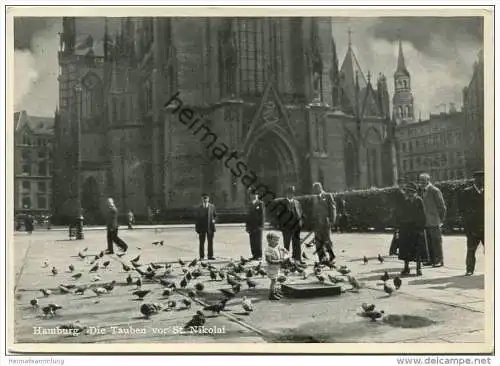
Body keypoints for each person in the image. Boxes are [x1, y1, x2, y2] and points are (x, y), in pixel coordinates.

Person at [397, 182, 427, 276]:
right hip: (405, 228)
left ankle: (418, 268)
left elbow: (423, 215)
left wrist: (421, 227)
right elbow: (400, 215)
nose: (409, 194)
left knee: (417, 250)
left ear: (414, 192)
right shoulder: (404, 202)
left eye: (411, 192)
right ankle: (406, 267)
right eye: (407, 192)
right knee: (405, 249)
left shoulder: (418, 200)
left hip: (416, 228)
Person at [458, 171, 484, 276]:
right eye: (481, 179)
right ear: (475, 179)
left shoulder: (490, 191)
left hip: (487, 226)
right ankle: (469, 269)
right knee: (471, 249)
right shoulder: (466, 192)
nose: (483, 181)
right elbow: (462, 210)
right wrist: (467, 227)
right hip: (473, 227)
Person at [418, 173, 447, 267]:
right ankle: (431, 259)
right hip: (425, 221)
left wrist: (441, 220)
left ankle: (439, 260)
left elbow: (442, 207)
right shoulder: (421, 191)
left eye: (423, 180)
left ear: (428, 180)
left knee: (436, 241)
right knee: (428, 241)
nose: (421, 182)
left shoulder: (434, 190)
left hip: (434, 220)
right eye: (420, 180)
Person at [311, 182, 336, 263]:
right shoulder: (314, 198)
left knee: (327, 240)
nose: (315, 190)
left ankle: (331, 255)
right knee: (318, 241)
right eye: (314, 189)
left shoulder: (328, 196)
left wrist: (332, 220)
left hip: (326, 222)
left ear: (320, 188)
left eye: (316, 188)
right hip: (317, 223)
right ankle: (322, 258)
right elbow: (314, 210)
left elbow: (332, 208)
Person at [280, 185, 304, 264]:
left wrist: (300, 223)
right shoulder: (283, 203)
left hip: (296, 227)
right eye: (289, 193)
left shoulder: (297, 202)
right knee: (286, 244)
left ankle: (298, 258)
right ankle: (286, 260)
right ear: (287, 194)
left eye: (292, 193)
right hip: (287, 227)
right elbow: (280, 216)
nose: (291, 195)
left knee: (297, 243)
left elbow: (300, 213)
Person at [265, 232, 289, 301]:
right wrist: (279, 261)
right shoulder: (268, 250)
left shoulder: (276, 246)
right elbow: (269, 260)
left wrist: (284, 251)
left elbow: (283, 249)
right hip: (272, 268)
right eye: (275, 240)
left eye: (277, 240)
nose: (277, 242)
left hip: (276, 268)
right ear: (269, 240)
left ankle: (275, 292)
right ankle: (271, 294)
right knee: (273, 281)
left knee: (275, 280)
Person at [195, 193, 217, 260]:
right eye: (203, 198)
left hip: (210, 227)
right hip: (202, 228)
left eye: (206, 198)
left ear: (208, 199)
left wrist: (214, 220)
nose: (205, 200)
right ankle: (202, 256)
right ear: (202, 199)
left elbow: (215, 215)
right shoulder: (199, 208)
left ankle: (210, 256)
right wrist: (197, 228)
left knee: (210, 242)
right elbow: (197, 219)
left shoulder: (212, 207)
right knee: (201, 243)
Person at [245, 190, 265, 261]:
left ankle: (259, 255)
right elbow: (248, 216)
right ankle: (254, 255)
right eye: (252, 195)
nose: (253, 196)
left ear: (257, 196)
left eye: (255, 195)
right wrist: (247, 226)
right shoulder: (250, 204)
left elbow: (262, 216)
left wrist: (261, 226)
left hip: (258, 226)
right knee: (252, 241)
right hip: (251, 226)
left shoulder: (260, 203)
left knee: (258, 241)